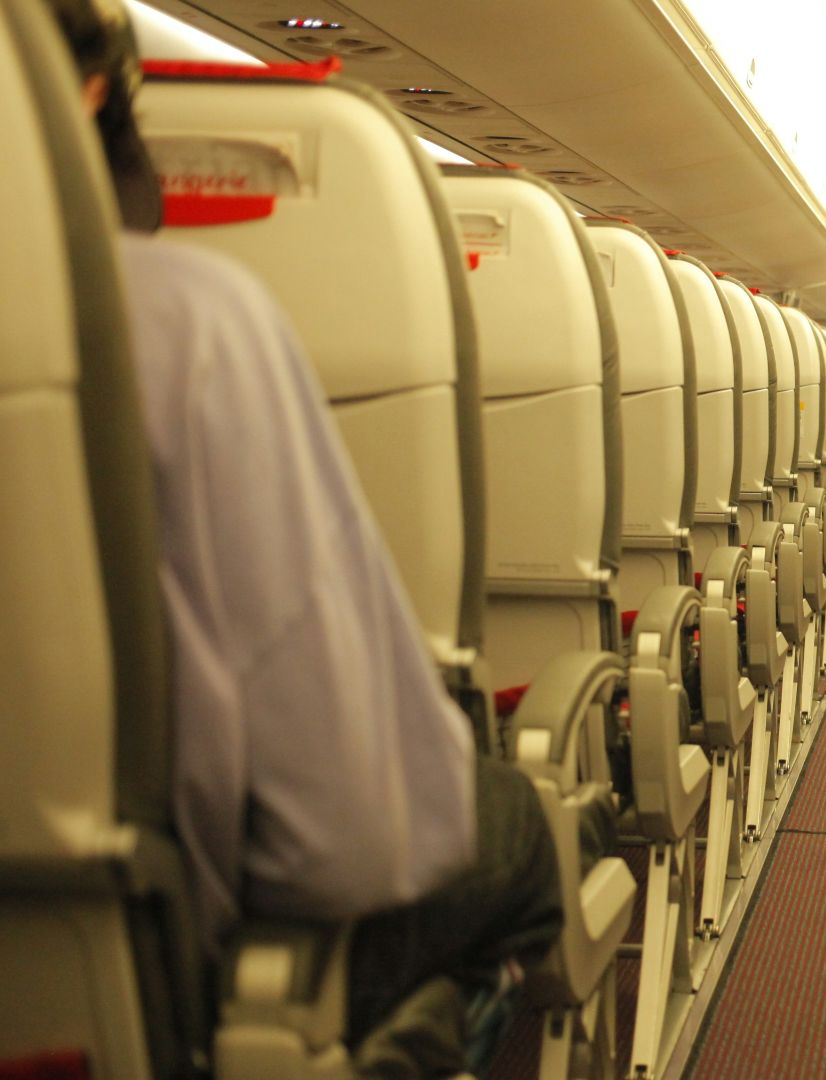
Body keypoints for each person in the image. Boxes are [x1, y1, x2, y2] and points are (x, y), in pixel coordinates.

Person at [50, 1, 563, 1073]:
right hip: (156, 978)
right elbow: (345, 843)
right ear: (91, 89)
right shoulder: (186, 323)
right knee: (514, 822)